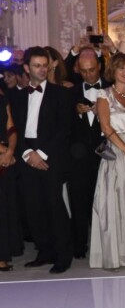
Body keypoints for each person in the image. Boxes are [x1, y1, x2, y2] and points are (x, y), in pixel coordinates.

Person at [12, 46, 75, 273]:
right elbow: (13, 130)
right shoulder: (16, 96)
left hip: (51, 157)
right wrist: (28, 154)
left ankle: (63, 254)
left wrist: (42, 153)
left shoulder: (61, 93)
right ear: (27, 68)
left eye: (45, 65)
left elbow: (63, 129)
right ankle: (44, 250)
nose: (42, 69)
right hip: (26, 155)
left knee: (54, 205)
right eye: (37, 65)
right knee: (33, 207)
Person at [89, 53, 125, 269]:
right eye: (122, 68)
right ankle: (114, 255)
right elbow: (106, 128)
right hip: (116, 153)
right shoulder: (104, 95)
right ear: (113, 71)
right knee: (114, 205)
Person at [69, 48, 109, 259]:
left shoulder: (112, 90)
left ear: (100, 67)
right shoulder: (71, 92)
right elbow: (62, 125)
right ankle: (79, 245)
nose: (88, 75)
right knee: (78, 201)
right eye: (83, 71)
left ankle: (105, 244)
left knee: (106, 201)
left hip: (106, 154)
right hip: (78, 157)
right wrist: (75, 111)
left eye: (92, 70)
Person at [0, 94, 19, 271]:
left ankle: (2, 255)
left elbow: (11, 127)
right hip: (3, 154)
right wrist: (4, 151)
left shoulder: (3, 98)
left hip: (5, 159)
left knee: (4, 208)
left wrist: (10, 150)